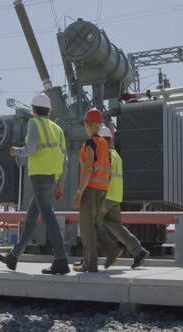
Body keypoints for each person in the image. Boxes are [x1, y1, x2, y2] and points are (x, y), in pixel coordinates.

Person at [0, 94, 70, 275]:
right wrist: (60, 183)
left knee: (48, 215)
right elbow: (65, 159)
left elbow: (30, 149)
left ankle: (61, 259)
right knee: (31, 218)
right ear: (49, 110)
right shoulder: (57, 128)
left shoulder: (34, 123)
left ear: (33, 109)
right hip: (52, 176)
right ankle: (13, 257)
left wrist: (17, 151)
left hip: (39, 174)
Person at [72, 109, 121, 273]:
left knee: (86, 228)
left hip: (91, 189)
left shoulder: (90, 143)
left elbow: (87, 169)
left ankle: (90, 263)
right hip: (102, 190)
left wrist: (80, 192)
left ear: (87, 124)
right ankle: (110, 248)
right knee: (93, 226)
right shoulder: (104, 144)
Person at [96, 126, 149, 269]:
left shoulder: (105, 153)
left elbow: (104, 177)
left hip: (107, 197)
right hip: (116, 197)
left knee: (91, 223)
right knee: (116, 227)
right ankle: (138, 251)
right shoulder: (116, 155)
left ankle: (92, 257)